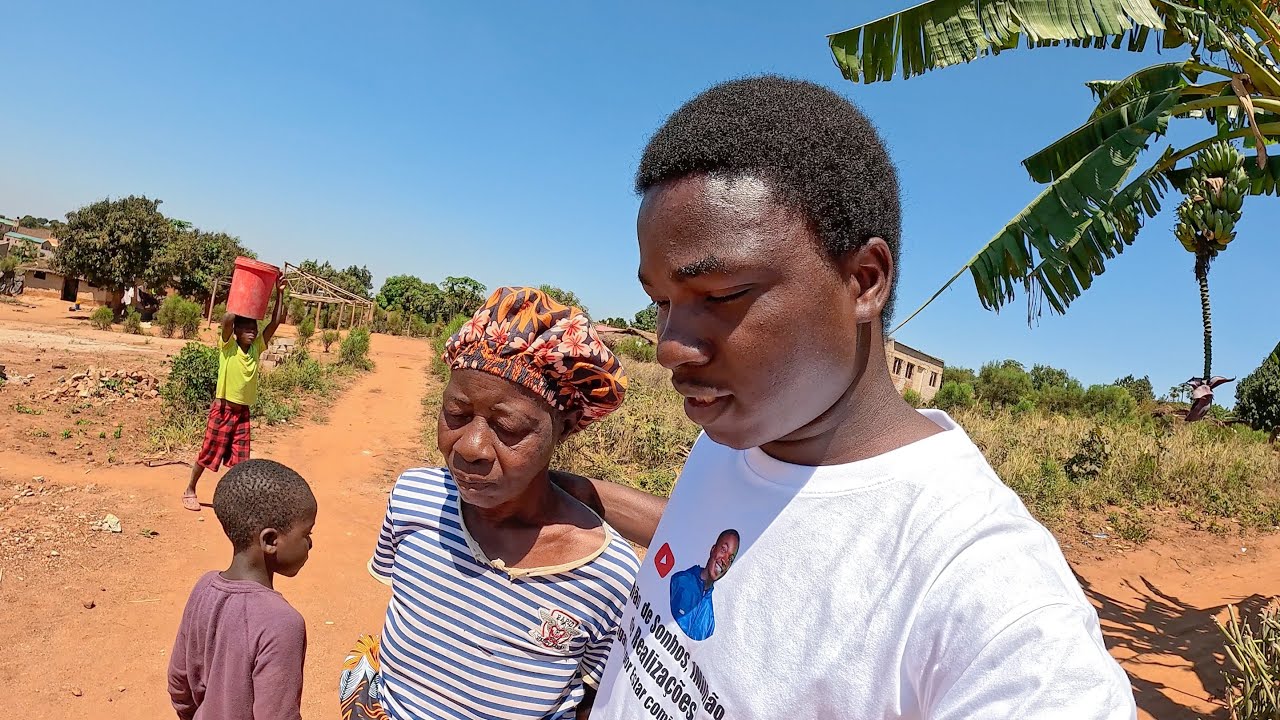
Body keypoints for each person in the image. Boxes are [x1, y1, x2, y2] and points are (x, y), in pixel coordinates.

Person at [553, 76, 1138, 719]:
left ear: (863, 281)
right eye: (661, 301)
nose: (670, 345)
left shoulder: (988, 596)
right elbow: (741, 535)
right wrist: (579, 494)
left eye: (721, 295)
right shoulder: (749, 425)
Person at [339, 286, 640, 720]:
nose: (471, 447)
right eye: (456, 414)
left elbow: (593, 699)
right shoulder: (415, 500)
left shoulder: (606, 574)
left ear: (565, 427)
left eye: (508, 427)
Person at [168, 459, 317, 720]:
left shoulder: (203, 588)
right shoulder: (282, 623)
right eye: (307, 534)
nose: (310, 544)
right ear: (270, 540)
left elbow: (179, 682)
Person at [183, 278, 285, 511]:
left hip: (242, 413)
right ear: (236, 332)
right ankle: (190, 489)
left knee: (241, 461)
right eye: (246, 329)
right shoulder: (228, 348)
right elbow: (228, 318)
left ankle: (236, 500)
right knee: (208, 453)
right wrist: (243, 293)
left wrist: (279, 293)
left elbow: (276, 322)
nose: (252, 332)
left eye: (254, 329)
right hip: (223, 410)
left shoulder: (257, 348)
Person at [668, 529, 737, 641]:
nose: (724, 560)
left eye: (730, 559)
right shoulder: (679, 582)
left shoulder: (711, 618)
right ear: (713, 549)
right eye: (723, 550)